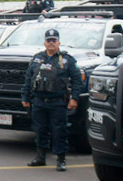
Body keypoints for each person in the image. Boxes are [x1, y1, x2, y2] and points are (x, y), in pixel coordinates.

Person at [20, 28, 84, 172]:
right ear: (44, 43)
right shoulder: (37, 58)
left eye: (54, 40)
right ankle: (40, 157)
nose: (51, 43)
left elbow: (77, 80)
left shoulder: (67, 60)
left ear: (58, 42)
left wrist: (74, 98)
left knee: (59, 131)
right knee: (40, 129)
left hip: (58, 102)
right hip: (39, 101)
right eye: (48, 41)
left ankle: (61, 159)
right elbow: (28, 79)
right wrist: (25, 97)